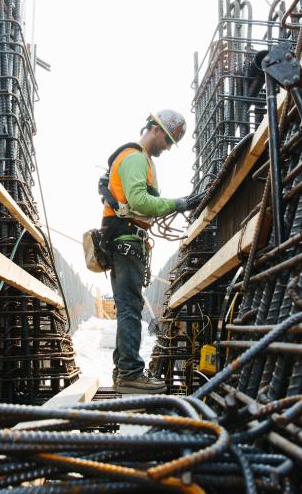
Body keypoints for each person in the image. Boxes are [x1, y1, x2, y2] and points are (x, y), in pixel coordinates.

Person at [100, 110, 205, 394]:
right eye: (168, 140)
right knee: (131, 309)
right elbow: (140, 201)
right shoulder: (134, 158)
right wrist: (179, 204)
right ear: (155, 129)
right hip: (125, 241)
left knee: (128, 307)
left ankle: (123, 370)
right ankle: (131, 373)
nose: (169, 147)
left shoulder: (141, 160)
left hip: (126, 241)